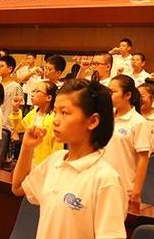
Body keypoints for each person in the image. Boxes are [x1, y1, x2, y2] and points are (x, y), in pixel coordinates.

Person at [11, 75, 127, 238]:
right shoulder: (55, 160)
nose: (56, 121)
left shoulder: (105, 179)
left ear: (92, 121)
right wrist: (27, 147)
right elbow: (18, 188)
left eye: (65, 113)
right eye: (56, 112)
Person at [104, 75, 150, 201]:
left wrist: (136, 191)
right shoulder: (106, 118)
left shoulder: (138, 122)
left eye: (113, 92)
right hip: (103, 184)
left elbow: (143, 159)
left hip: (124, 188)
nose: (109, 95)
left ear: (127, 95)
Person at [10, 81, 62, 166]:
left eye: (38, 91)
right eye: (33, 91)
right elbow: (19, 128)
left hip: (43, 164)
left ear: (48, 98)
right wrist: (15, 110)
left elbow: (57, 147)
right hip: (28, 160)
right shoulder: (33, 113)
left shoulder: (54, 119)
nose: (32, 94)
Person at [0, 55, 23, 132]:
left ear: (10, 69)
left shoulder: (16, 87)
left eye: (2, 66)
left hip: (7, 126)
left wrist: (15, 130)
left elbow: (19, 109)